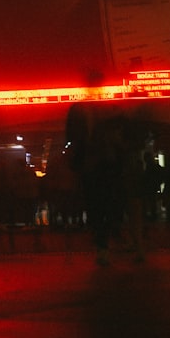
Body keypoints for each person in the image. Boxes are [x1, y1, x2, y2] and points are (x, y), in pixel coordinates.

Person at [66, 101, 128, 266]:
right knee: (102, 205)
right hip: (103, 165)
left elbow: (72, 138)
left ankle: (101, 243)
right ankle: (103, 242)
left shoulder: (80, 110)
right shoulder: (106, 109)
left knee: (98, 205)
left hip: (95, 166)